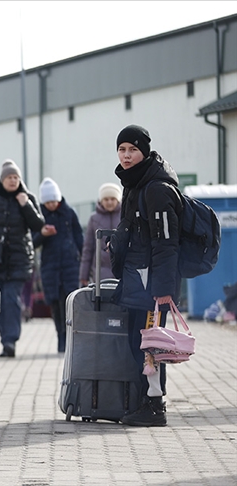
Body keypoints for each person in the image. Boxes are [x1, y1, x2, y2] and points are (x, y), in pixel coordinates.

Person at [108, 124, 181, 427]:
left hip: (152, 283)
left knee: (151, 344)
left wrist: (163, 289)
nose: (126, 155)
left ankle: (154, 406)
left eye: (132, 150)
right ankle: (143, 401)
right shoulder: (134, 184)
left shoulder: (156, 189)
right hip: (137, 277)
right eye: (122, 149)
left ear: (144, 152)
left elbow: (166, 242)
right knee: (138, 343)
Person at [0, 159, 46, 358]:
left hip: (19, 259)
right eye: (9, 177)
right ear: (3, 179)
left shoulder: (27, 197)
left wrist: (26, 205)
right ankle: (6, 339)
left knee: (12, 299)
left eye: (16, 177)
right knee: (0, 301)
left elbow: (39, 225)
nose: (13, 181)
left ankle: (10, 341)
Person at [31, 178, 83, 353]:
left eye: (54, 200)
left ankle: (70, 339)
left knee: (69, 302)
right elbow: (32, 242)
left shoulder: (69, 213)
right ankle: (60, 337)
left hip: (70, 265)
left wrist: (83, 259)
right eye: (48, 202)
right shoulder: (38, 216)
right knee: (55, 303)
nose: (51, 205)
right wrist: (43, 234)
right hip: (50, 267)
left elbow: (79, 237)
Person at [79, 182, 122, 286]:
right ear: (101, 201)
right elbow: (88, 249)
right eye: (106, 199)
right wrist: (83, 275)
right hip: (100, 271)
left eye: (112, 199)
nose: (109, 202)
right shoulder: (94, 219)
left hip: (122, 269)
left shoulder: (125, 216)